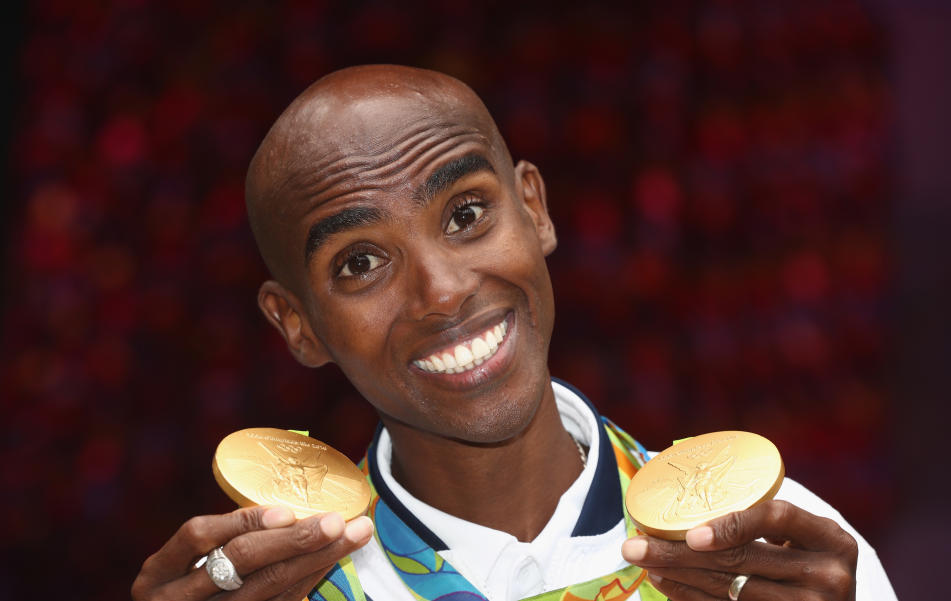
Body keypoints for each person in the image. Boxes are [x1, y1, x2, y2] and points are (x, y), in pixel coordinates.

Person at [132, 65, 897, 601]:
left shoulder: (775, 552)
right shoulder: (275, 588)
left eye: (465, 214)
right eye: (361, 262)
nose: (443, 291)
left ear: (533, 209)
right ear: (297, 324)